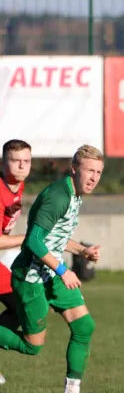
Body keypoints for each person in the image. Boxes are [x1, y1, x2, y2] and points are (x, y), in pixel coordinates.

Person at [0, 145, 104, 393]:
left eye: (98, 172)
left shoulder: (75, 193)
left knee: (84, 326)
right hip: (32, 278)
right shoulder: (58, 197)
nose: (93, 178)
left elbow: (55, 238)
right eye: (89, 170)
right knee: (33, 346)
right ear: (74, 169)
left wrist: (82, 251)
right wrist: (63, 271)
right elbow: (34, 241)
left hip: (51, 274)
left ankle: (72, 389)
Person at [0, 139, 32, 384]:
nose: (22, 165)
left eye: (27, 161)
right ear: (3, 163)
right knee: (22, 304)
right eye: (15, 160)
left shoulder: (17, 185)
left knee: (22, 305)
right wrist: (29, 239)